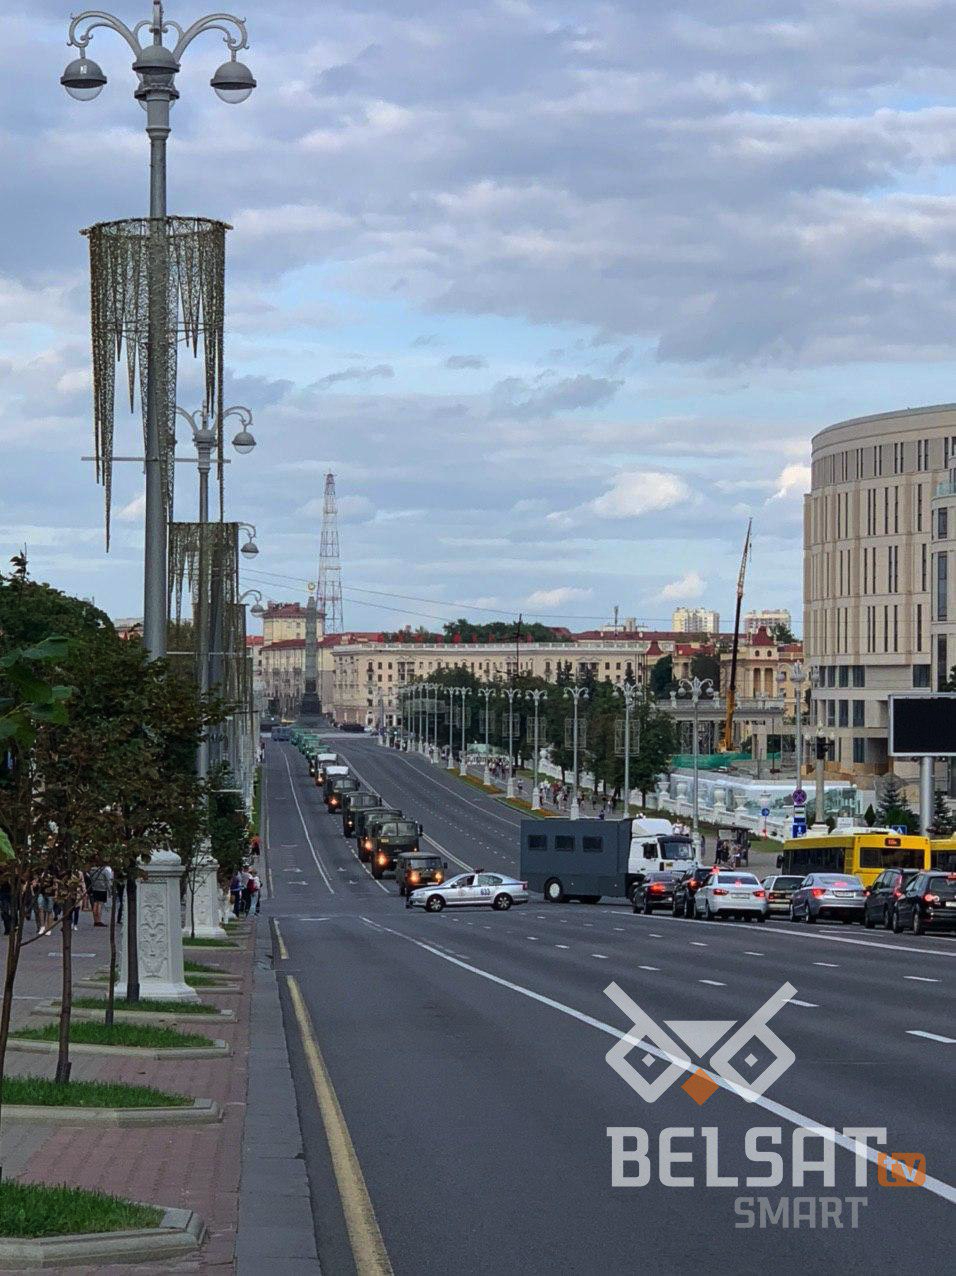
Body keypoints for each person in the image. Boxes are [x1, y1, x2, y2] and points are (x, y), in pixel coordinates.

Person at [86, 861, 112, 927]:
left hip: (95, 888)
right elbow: (108, 881)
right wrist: (109, 891)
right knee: (100, 904)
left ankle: (95, 920)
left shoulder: (92, 870)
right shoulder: (104, 870)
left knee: (95, 903)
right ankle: (99, 920)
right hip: (102, 888)